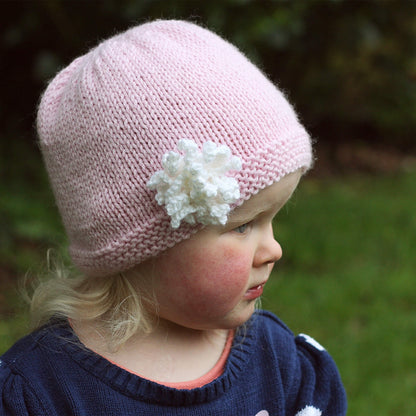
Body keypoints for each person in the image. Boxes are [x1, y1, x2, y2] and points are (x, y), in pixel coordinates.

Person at [0, 20, 347, 415]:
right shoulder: (40, 393)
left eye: (271, 220)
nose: (273, 250)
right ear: (139, 247)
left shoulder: (283, 366)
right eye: (243, 225)